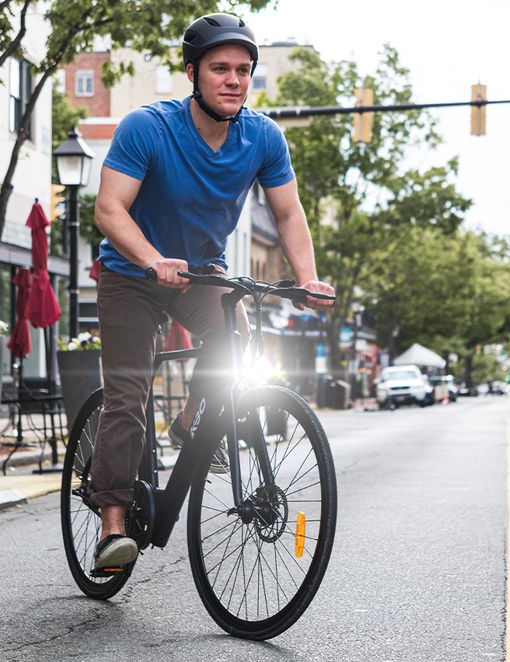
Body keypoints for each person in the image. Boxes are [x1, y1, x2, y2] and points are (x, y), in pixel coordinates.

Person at [89, 12, 334, 572]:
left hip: (202, 273)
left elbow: (289, 212)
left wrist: (306, 278)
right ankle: (112, 525)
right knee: (128, 393)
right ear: (192, 72)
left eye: (244, 70)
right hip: (132, 274)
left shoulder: (263, 137)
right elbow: (110, 209)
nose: (234, 80)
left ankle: (190, 423)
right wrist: (152, 259)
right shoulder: (148, 127)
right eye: (220, 68)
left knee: (237, 341)